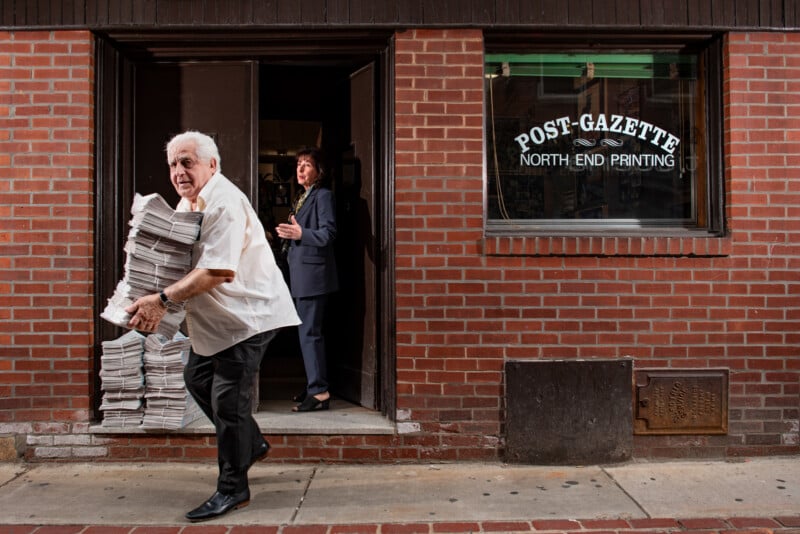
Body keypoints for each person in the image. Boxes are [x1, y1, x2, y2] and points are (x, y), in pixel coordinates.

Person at [125, 130, 300, 522]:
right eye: (173, 164)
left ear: (211, 165)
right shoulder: (188, 203)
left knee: (228, 399)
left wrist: (163, 300)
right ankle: (250, 443)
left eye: (187, 162)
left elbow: (217, 270)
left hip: (247, 316)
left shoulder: (224, 203)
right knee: (197, 379)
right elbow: (178, 259)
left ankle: (233, 489)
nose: (178, 171)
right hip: (218, 319)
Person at [275, 147, 339, 412]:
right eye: (299, 164)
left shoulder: (323, 196)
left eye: (307, 165)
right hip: (301, 274)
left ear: (319, 171)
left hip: (314, 276)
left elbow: (328, 234)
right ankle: (314, 383)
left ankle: (319, 392)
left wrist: (300, 234)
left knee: (310, 335)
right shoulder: (303, 196)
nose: (300, 169)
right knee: (306, 335)